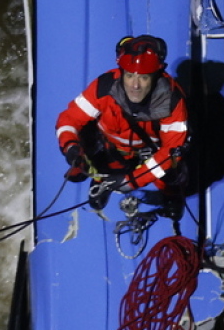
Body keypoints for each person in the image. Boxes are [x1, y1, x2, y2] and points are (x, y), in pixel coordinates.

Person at [55, 35, 190, 211]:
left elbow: (170, 152)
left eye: (143, 77)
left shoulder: (172, 102)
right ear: (122, 72)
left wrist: (132, 181)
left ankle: (171, 197)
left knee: (173, 172)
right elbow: (69, 119)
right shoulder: (103, 87)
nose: (135, 85)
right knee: (96, 157)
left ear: (155, 76)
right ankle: (100, 182)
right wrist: (70, 146)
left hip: (150, 153)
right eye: (129, 75)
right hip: (111, 148)